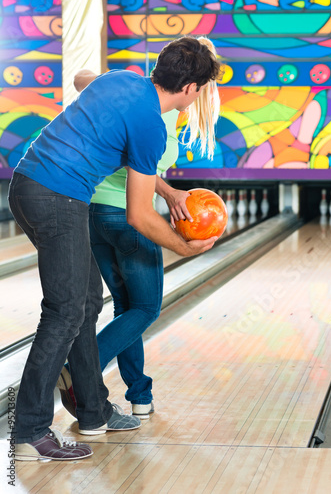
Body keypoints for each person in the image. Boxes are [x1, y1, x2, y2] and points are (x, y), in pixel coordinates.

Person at [8, 36, 221, 462]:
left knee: (85, 302)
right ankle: (30, 430)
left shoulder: (121, 80)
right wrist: (186, 247)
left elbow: (85, 79)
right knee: (66, 311)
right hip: (60, 198)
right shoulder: (151, 127)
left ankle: (93, 410)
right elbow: (139, 217)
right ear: (192, 89)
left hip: (26, 186)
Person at [57, 38, 220, 421]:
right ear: (190, 85)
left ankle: (140, 394)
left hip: (94, 214)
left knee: (127, 309)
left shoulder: (133, 94)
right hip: (128, 219)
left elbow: (82, 79)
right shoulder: (156, 111)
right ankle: (78, 370)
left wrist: (105, 81)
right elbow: (140, 177)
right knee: (146, 308)